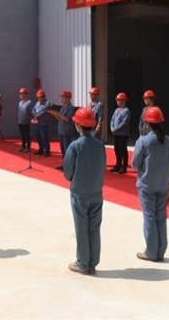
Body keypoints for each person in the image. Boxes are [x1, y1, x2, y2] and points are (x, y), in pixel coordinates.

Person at [63, 107, 106, 276]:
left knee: (81, 228)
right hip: (96, 192)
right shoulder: (100, 145)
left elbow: (68, 172)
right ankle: (92, 262)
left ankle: (82, 263)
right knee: (94, 227)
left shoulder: (75, 146)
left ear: (78, 126)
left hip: (80, 192)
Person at [132, 106, 169, 262]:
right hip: (163, 184)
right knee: (161, 217)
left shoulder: (143, 141)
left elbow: (135, 165)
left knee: (149, 217)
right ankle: (160, 251)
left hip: (147, 184)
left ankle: (151, 251)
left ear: (147, 123)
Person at [49, 90, 77, 167]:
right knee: (62, 149)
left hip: (67, 132)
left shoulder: (71, 108)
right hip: (61, 131)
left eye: (63, 97)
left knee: (67, 149)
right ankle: (64, 164)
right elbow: (60, 118)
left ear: (68, 98)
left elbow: (67, 119)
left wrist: (57, 114)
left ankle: (69, 165)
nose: (61, 99)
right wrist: (54, 114)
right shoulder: (63, 107)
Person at [109, 93, 130, 173]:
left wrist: (116, 129)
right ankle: (118, 165)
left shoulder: (126, 111)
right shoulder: (116, 110)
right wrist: (111, 127)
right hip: (116, 134)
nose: (117, 101)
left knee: (123, 150)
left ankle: (124, 167)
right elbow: (112, 119)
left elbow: (124, 122)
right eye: (117, 100)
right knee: (117, 149)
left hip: (123, 134)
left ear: (123, 101)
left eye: (118, 100)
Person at [31, 90, 51, 156]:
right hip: (37, 123)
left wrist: (37, 115)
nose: (39, 99)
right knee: (38, 137)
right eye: (38, 97)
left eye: (40, 97)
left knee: (44, 137)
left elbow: (44, 111)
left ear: (43, 96)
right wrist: (34, 114)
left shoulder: (47, 103)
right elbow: (33, 109)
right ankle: (41, 149)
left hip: (44, 123)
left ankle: (47, 151)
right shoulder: (37, 103)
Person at [16, 88, 33, 152]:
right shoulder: (20, 103)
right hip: (20, 121)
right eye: (20, 94)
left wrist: (31, 118)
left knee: (27, 135)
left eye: (21, 94)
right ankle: (23, 146)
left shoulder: (29, 102)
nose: (20, 95)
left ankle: (28, 147)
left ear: (25, 95)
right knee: (22, 135)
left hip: (26, 122)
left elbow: (31, 112)